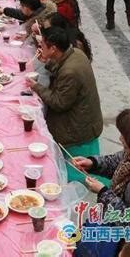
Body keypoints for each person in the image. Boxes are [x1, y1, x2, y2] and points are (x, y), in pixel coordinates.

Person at [27, 27, 103, 182]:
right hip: (87, 119)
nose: (40, 48)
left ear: (54, 48)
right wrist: (47, 62)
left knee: (76, 172)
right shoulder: (76, 53)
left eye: (43, 46)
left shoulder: (70, 72)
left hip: (78, 126)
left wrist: (36, 86)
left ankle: (74, 186)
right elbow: (59, 69)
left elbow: (59, 102)